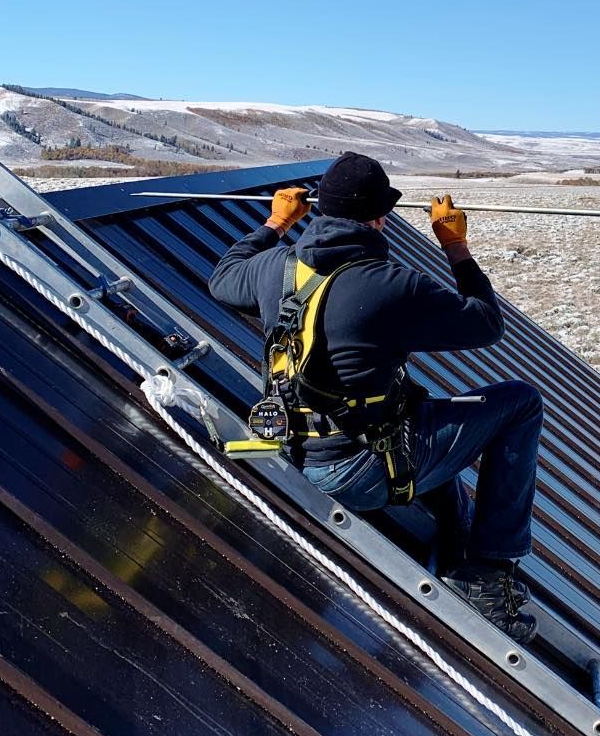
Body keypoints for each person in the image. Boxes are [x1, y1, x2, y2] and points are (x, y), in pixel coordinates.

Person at [208, 152, 542, 643]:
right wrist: (455, 245)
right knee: (520, 402)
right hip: (364, 472)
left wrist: (276, 224)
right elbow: (487, 323)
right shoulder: (390, 285)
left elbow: (222, 278)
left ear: (320, 212)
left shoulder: (274, 269)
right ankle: (489, 576)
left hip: (293, 455)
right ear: (379, 217)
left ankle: (454, 532)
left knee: (418, 415)